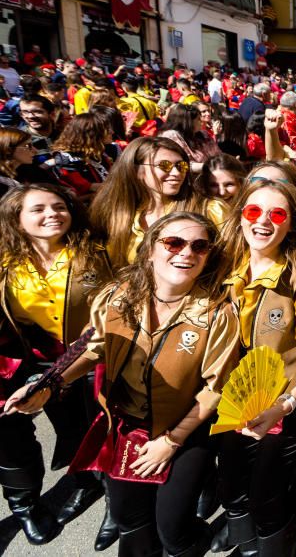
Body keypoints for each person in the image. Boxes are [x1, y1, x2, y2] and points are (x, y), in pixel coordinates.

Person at [5, 212, 240, 556]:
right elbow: (92, 347)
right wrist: (48, 385)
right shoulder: (117, 295)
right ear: (150, 249)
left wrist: (171, 442)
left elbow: (215, 389)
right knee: (130, 521)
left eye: (199, 246)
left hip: (186, 431)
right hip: (126, 427)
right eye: (174, 242)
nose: (186, 252)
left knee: (173, 530)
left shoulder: (217, 312)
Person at [214, 179, 296, 555]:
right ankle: (247, 546)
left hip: (283, 402)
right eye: (253, 211)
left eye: (277, 214)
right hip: (232, 398)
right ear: (240, 216)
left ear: (291, 225)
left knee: (267, 492)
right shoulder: (223, 266)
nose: (263, 221)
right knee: (231, 483)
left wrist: (287, 403)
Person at [0, 185, 113, 547]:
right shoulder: (4, 264)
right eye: (38, 209)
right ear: (16, 219)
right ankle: (26, 507)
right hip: (25, 363)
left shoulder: (95, 254)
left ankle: (105, 493)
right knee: (12, 437)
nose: (52, 214)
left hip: (89, 359)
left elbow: (112, 313)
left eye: (59, 206)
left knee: (91, 427)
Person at [89, 137, 225, 268]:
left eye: (181, 165)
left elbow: (230, 264)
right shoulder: (111, 213)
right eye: (164, 165)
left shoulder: (210, 210)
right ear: (136, 170)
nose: (177, 173)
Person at [45, 113, 114, 201]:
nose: (112, 132)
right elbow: (87, 187)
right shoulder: (67, 159)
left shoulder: (97, 152)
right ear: (92, 134)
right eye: (107, 129)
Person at [158, 104, 220, 172]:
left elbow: (218, 154)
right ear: (188, 122)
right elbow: (180, 165)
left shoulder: (203, 134)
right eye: (198, 119)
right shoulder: (171, 136)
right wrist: (211, 166)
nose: (202, 121)